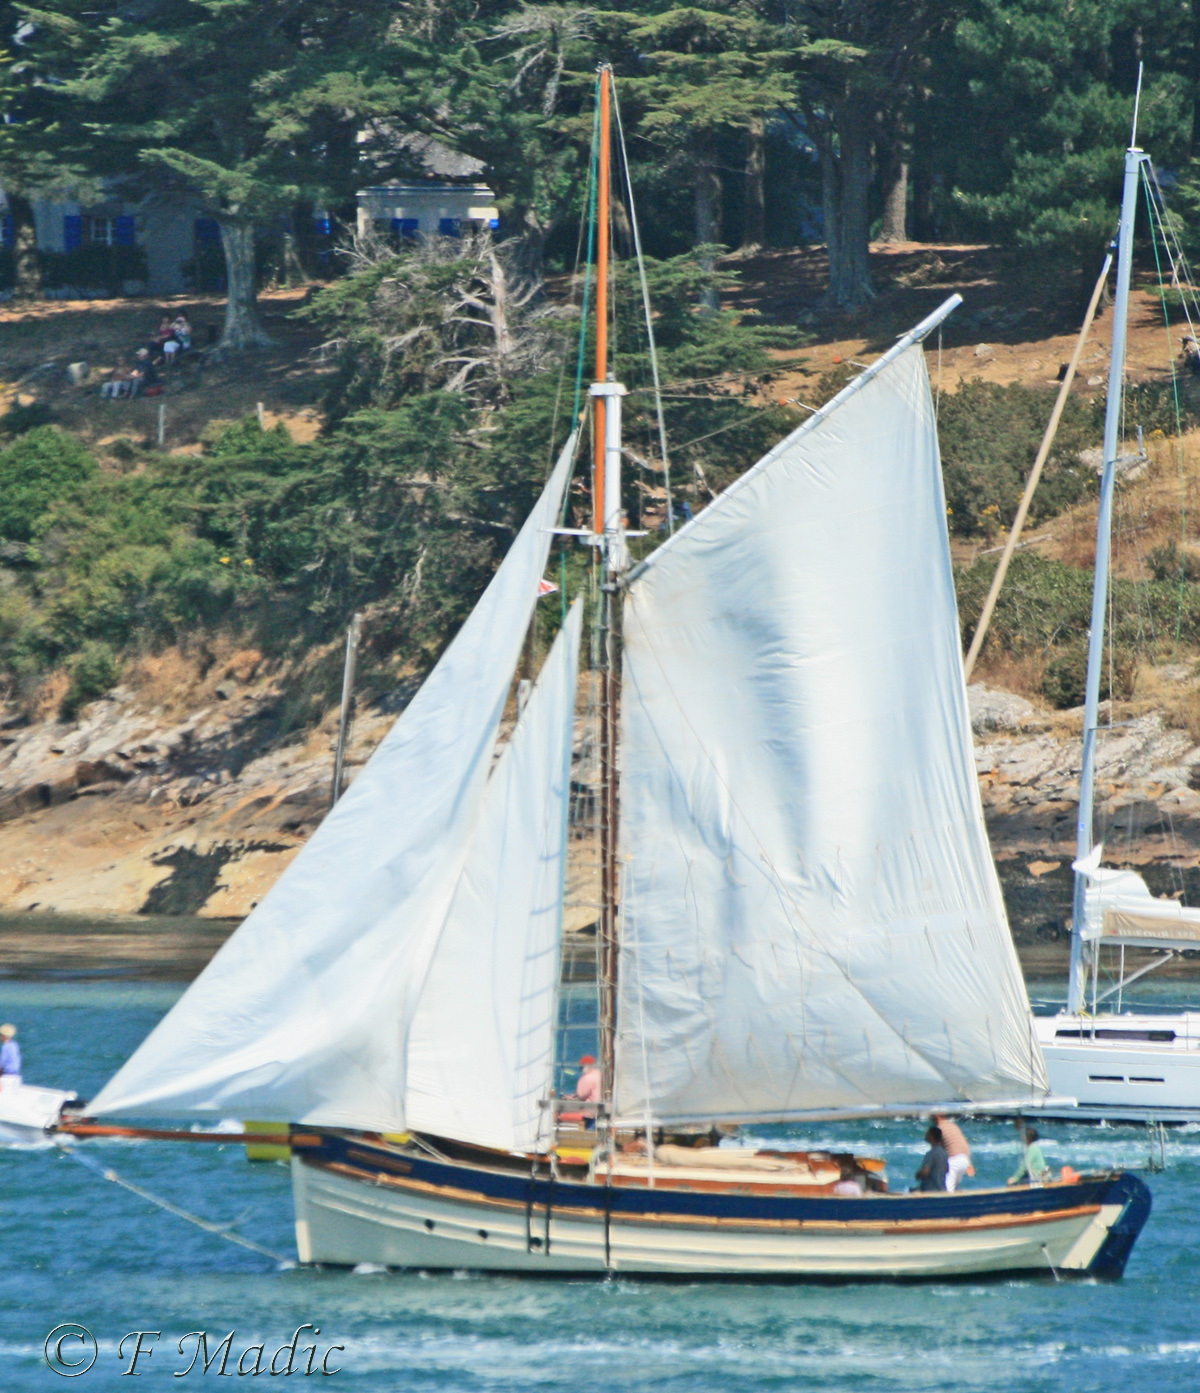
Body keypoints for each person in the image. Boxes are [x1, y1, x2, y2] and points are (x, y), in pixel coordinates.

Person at [934, 1113, 975, 1192]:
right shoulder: (954, 1127)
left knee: (947, 1189)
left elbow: (938, 1150)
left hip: (953, 1161)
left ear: (937, 1117)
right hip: (964, 1160)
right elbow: (965, 1144)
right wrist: (969, 1164)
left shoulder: (939, 1129)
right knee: (954, 1187)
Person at [914, 1125, 948, 1192]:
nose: (925, 1135)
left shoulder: (931, 1154)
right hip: (942, 1188)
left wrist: (918, 1174)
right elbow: (947, 1170)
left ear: (931, 1136)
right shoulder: (944, 1153)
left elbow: (925, 1172)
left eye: (927, 1133)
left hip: (930, 1189)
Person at [0, 1024, 22, 1090]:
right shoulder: (14, 1045)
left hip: (7, 1076)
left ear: (3, 1036)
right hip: (16, 1075)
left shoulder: (5, 1047)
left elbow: (1, 1064)